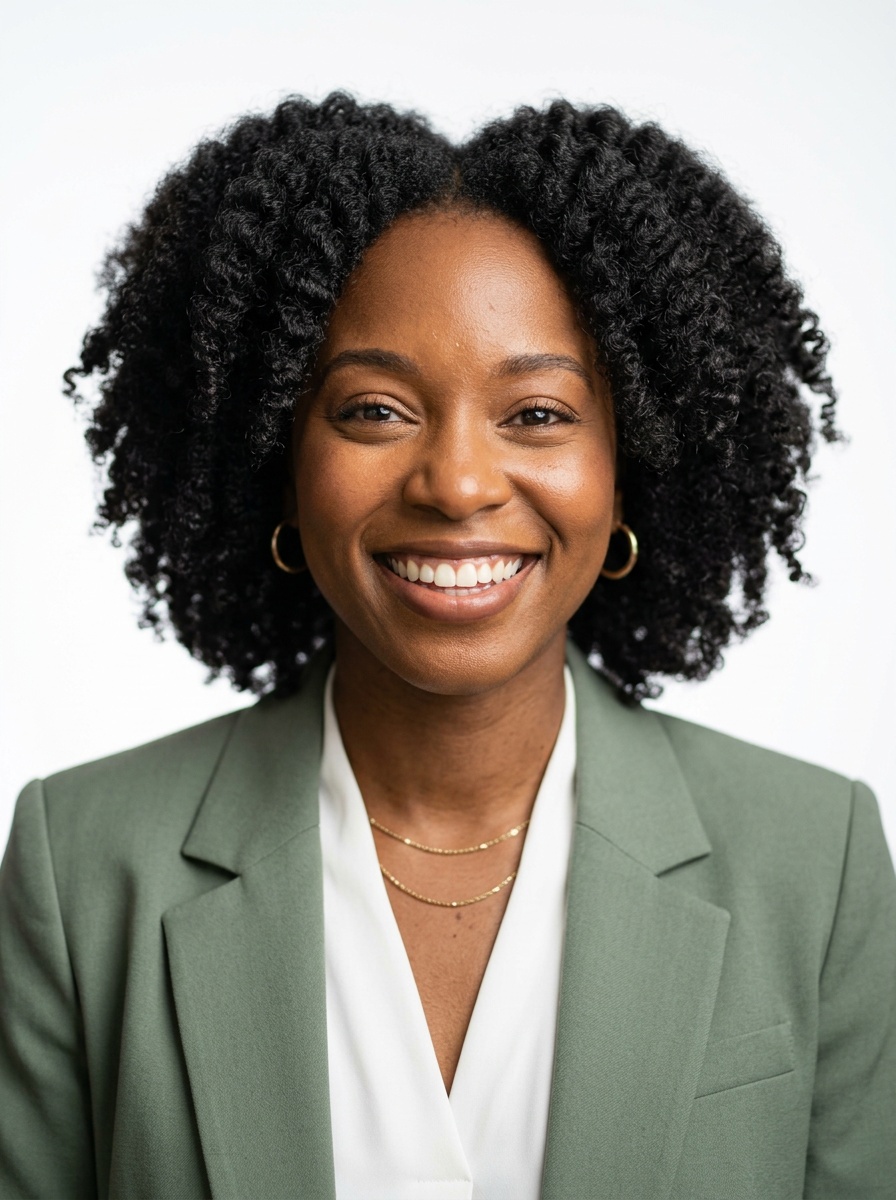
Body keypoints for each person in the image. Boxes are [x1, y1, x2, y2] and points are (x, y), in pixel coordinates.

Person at [0, 93, 893, 1200]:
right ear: (279, 455)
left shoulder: (815, 862)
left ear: (630, 467)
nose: (458, 483)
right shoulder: (83, 866)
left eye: (536, 415)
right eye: (375, 410)